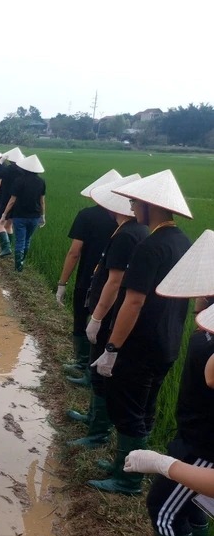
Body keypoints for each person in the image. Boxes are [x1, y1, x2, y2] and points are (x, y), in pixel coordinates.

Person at [117, 236, 214, 536]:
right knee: (191, 510)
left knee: (164, 508)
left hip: (204, 447)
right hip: (193, 434)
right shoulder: (206, 321)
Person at [88, 170, 193, 495]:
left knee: (129, 408)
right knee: (145, 407)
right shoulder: (182, 242)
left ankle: (128, 480)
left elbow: (133, 301)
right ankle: (129, 463)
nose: (133, 208)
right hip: (168, 340)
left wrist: (112, 347)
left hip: (141, 343)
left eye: (136, 202)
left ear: (151, 207)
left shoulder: (151, 247)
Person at [66, 174, 147, 446]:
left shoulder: (127, 235)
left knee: (100, 373)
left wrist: (97, 317)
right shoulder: (132, 231)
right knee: (95, 365)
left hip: (110, 312)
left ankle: (97, 433)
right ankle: (92, 419)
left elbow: (115, 281)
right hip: (109, 310)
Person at [57, 169, 122, 388]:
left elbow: (74, 252)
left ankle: (82, 363)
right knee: (104, 326)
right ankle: (92, 369)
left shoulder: (87, 215)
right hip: (117, 284)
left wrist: (62, 283)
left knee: (81, 318)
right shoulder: (128, 222)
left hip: (89, 279)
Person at [0, 154, 46, 272]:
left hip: (20, 215)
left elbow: (12, 200)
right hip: (34, 216)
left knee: (20, 240)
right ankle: (21, 262)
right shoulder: (41, 182)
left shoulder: (19, 181)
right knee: (27, 240)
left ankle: (18, 266)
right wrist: (43, 216)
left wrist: (4, 215)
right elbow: (42, 201)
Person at [0, 147, 24, 242]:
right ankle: (8, 246)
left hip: (6, 198)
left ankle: (6, 248)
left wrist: (0, 162)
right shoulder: (23, 171)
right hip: (18, 200)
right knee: (9, 225)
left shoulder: (9, 169)